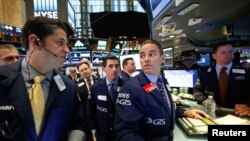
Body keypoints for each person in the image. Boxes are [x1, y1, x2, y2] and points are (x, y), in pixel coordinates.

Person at [0, 16, 85, 141]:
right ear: (35, 42)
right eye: (60, 42)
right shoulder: (2, 79)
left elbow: (77, 124)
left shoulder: (68, 87)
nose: (67, 50)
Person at [114, 39, 210, 141]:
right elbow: (124, 133)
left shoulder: (163, 81)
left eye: (151, 54)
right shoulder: (130, 89)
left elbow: (162, 107)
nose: (146, 59)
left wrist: (184, 112)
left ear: (162, 58)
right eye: (142, 55)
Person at [193, 42, 250, 109]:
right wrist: (204, 100)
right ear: (214, 56)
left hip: (238, 112)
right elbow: (197, 90)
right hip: (212, 112)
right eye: (223, 52)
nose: (228, 55)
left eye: (230, 51)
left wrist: (248, 105)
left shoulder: (246, 72)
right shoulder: (205, 73)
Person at [86, 55, 124, 141]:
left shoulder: (127, 86)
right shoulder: (95, 87)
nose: (114, 69)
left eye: (116, 66)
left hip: (121, 132)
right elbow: (90, 110)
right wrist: (93, 130)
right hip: (102, 133)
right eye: (110, 66)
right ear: (103, 69)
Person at [76, 61, 100, 141]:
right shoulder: (77, 86)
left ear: (90, 69)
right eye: (81, 70)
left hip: (101, 116)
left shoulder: (100, 81)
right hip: (87, 120)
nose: (84, 71)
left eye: (86, 69)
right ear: (79, 73)